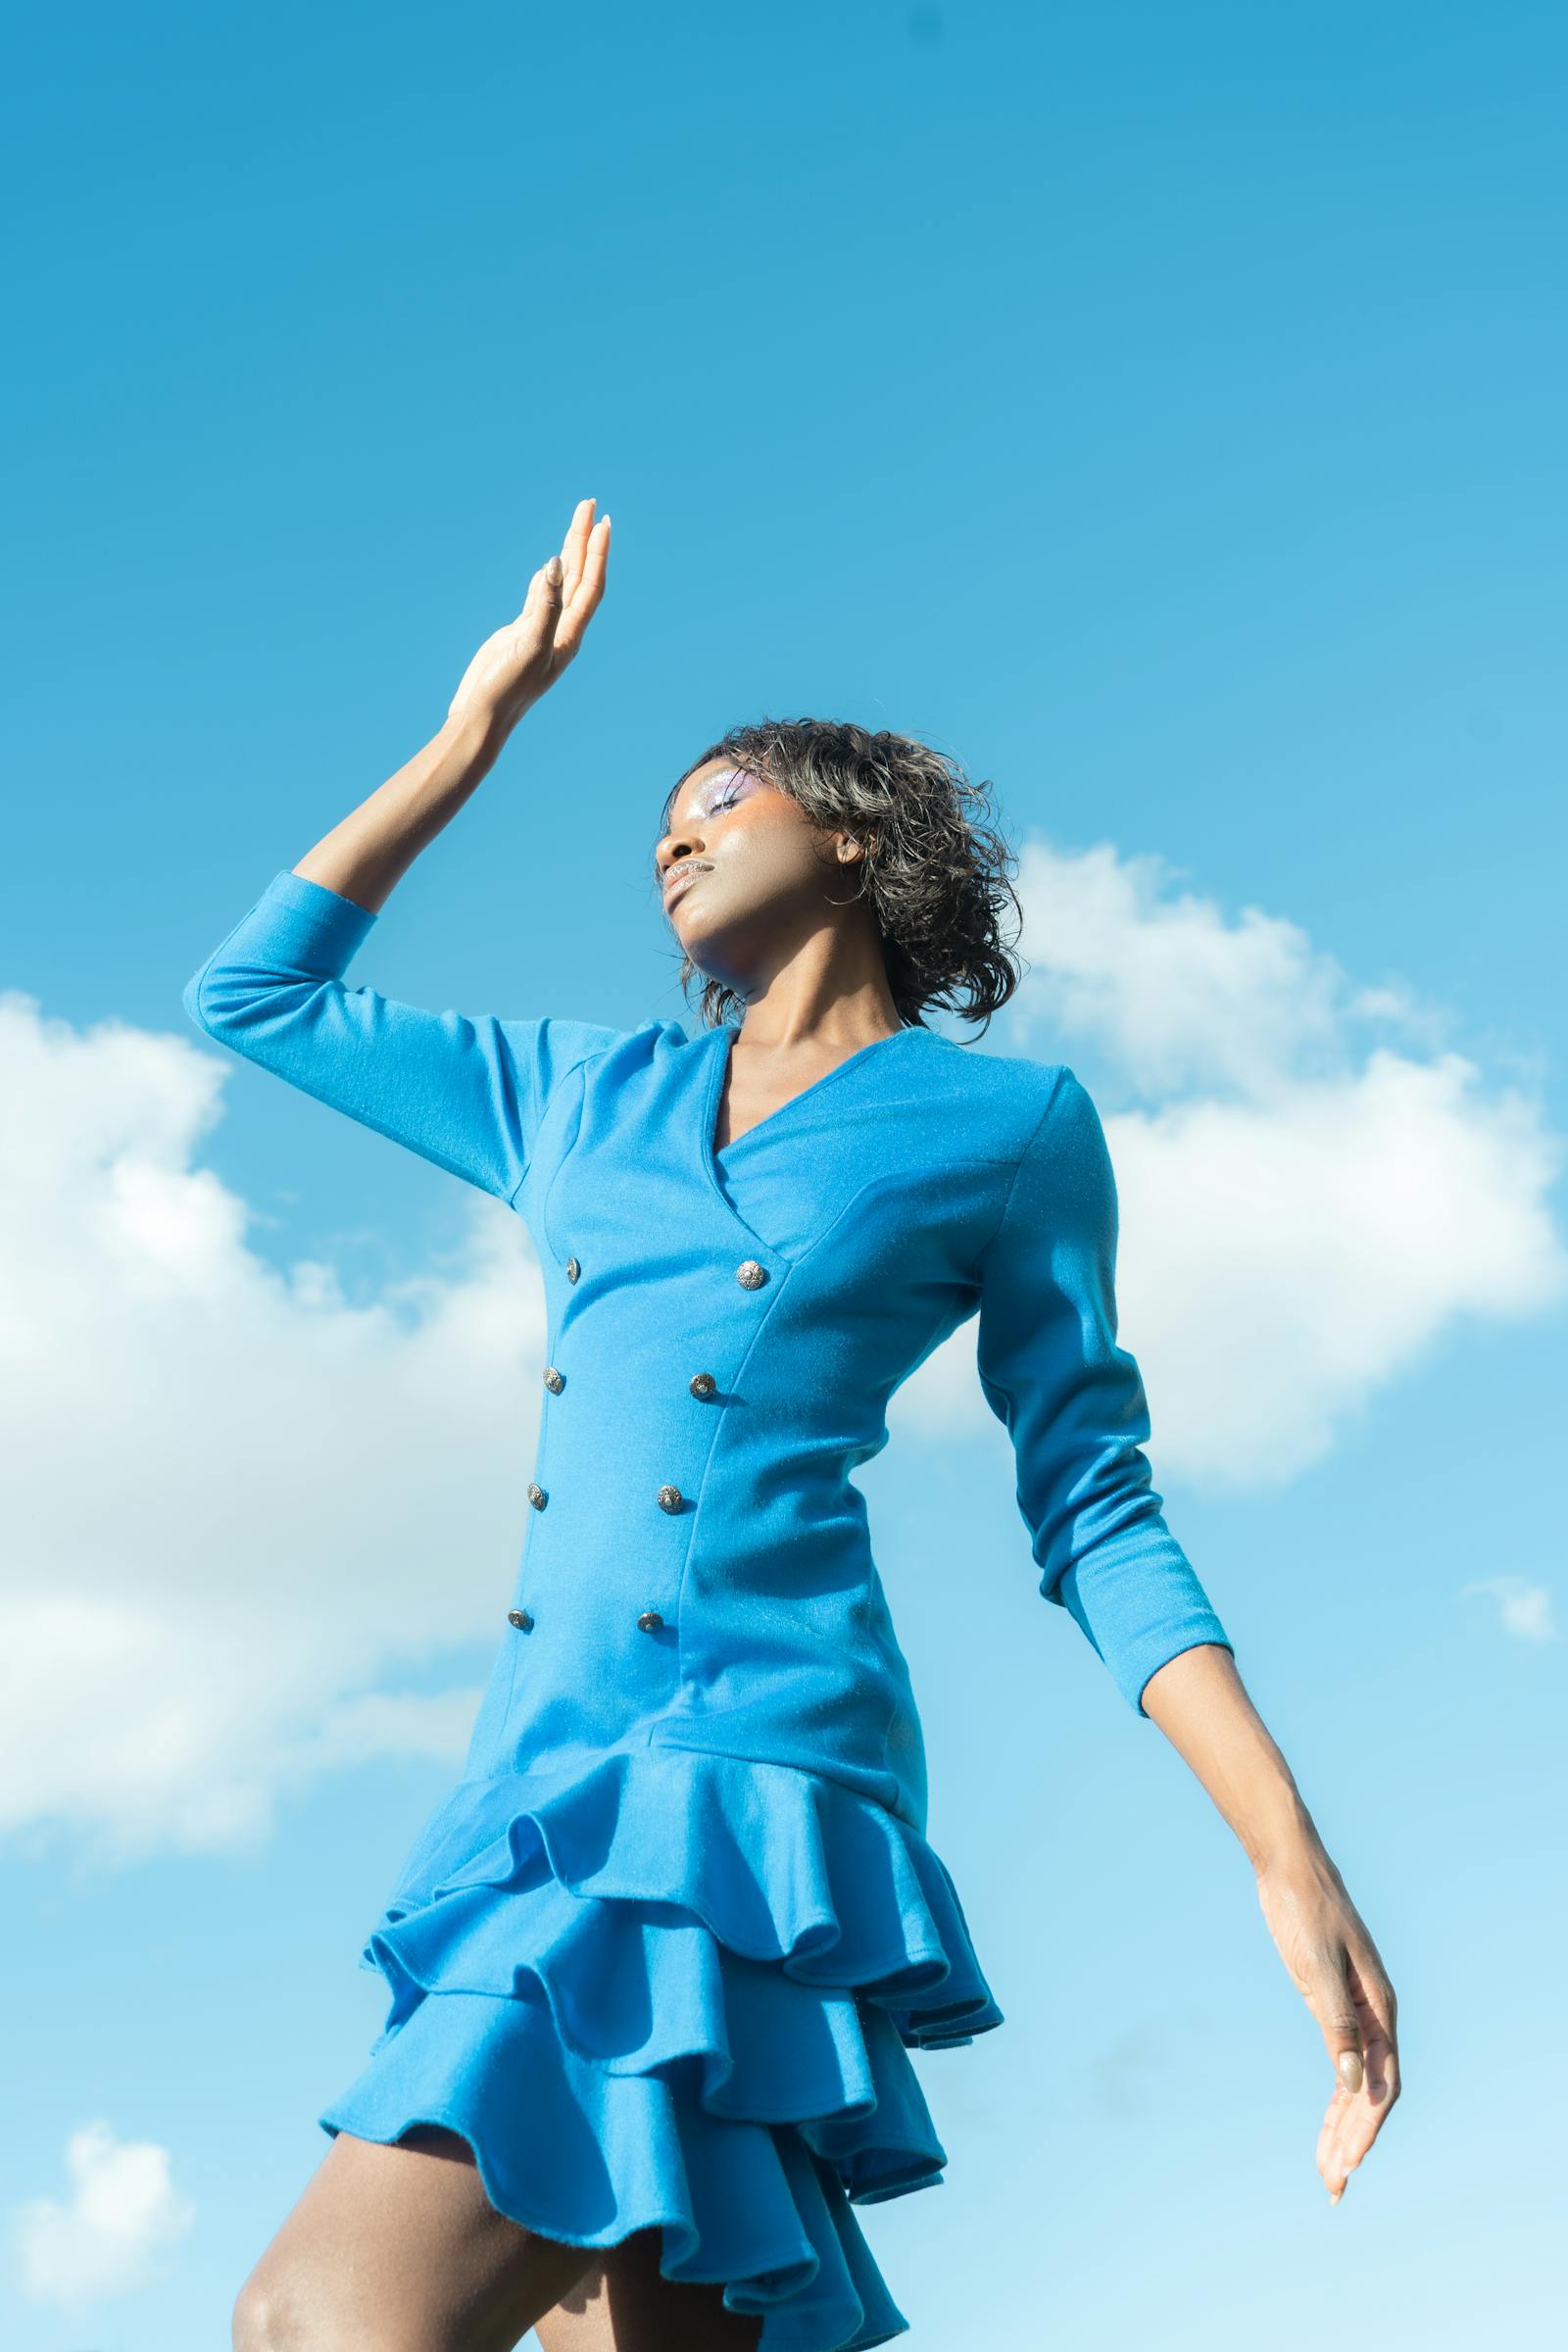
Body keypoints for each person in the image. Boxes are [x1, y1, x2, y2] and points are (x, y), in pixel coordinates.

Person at [185, 499, 1399, 2352]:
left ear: (851, 835)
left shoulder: (1005, 1127)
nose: (672, 828)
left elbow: (1091, 1500)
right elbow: (253, 994)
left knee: (318, 2319)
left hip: (755, 1784)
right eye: (659, 815)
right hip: (541, 1782)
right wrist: (478, 728)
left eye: (722, 795)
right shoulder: (578, 1095)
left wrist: (1283, 1847)